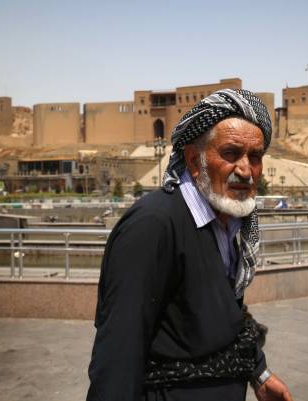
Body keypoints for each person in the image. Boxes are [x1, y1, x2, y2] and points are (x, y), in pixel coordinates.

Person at [87, 89, 293, 401]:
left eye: (255, 157)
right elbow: (118, 352)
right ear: (194, 161)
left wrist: (258, 373)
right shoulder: (153, 226)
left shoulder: (226, 220)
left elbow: (224, 314)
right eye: (230, 154)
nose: (245, 170)